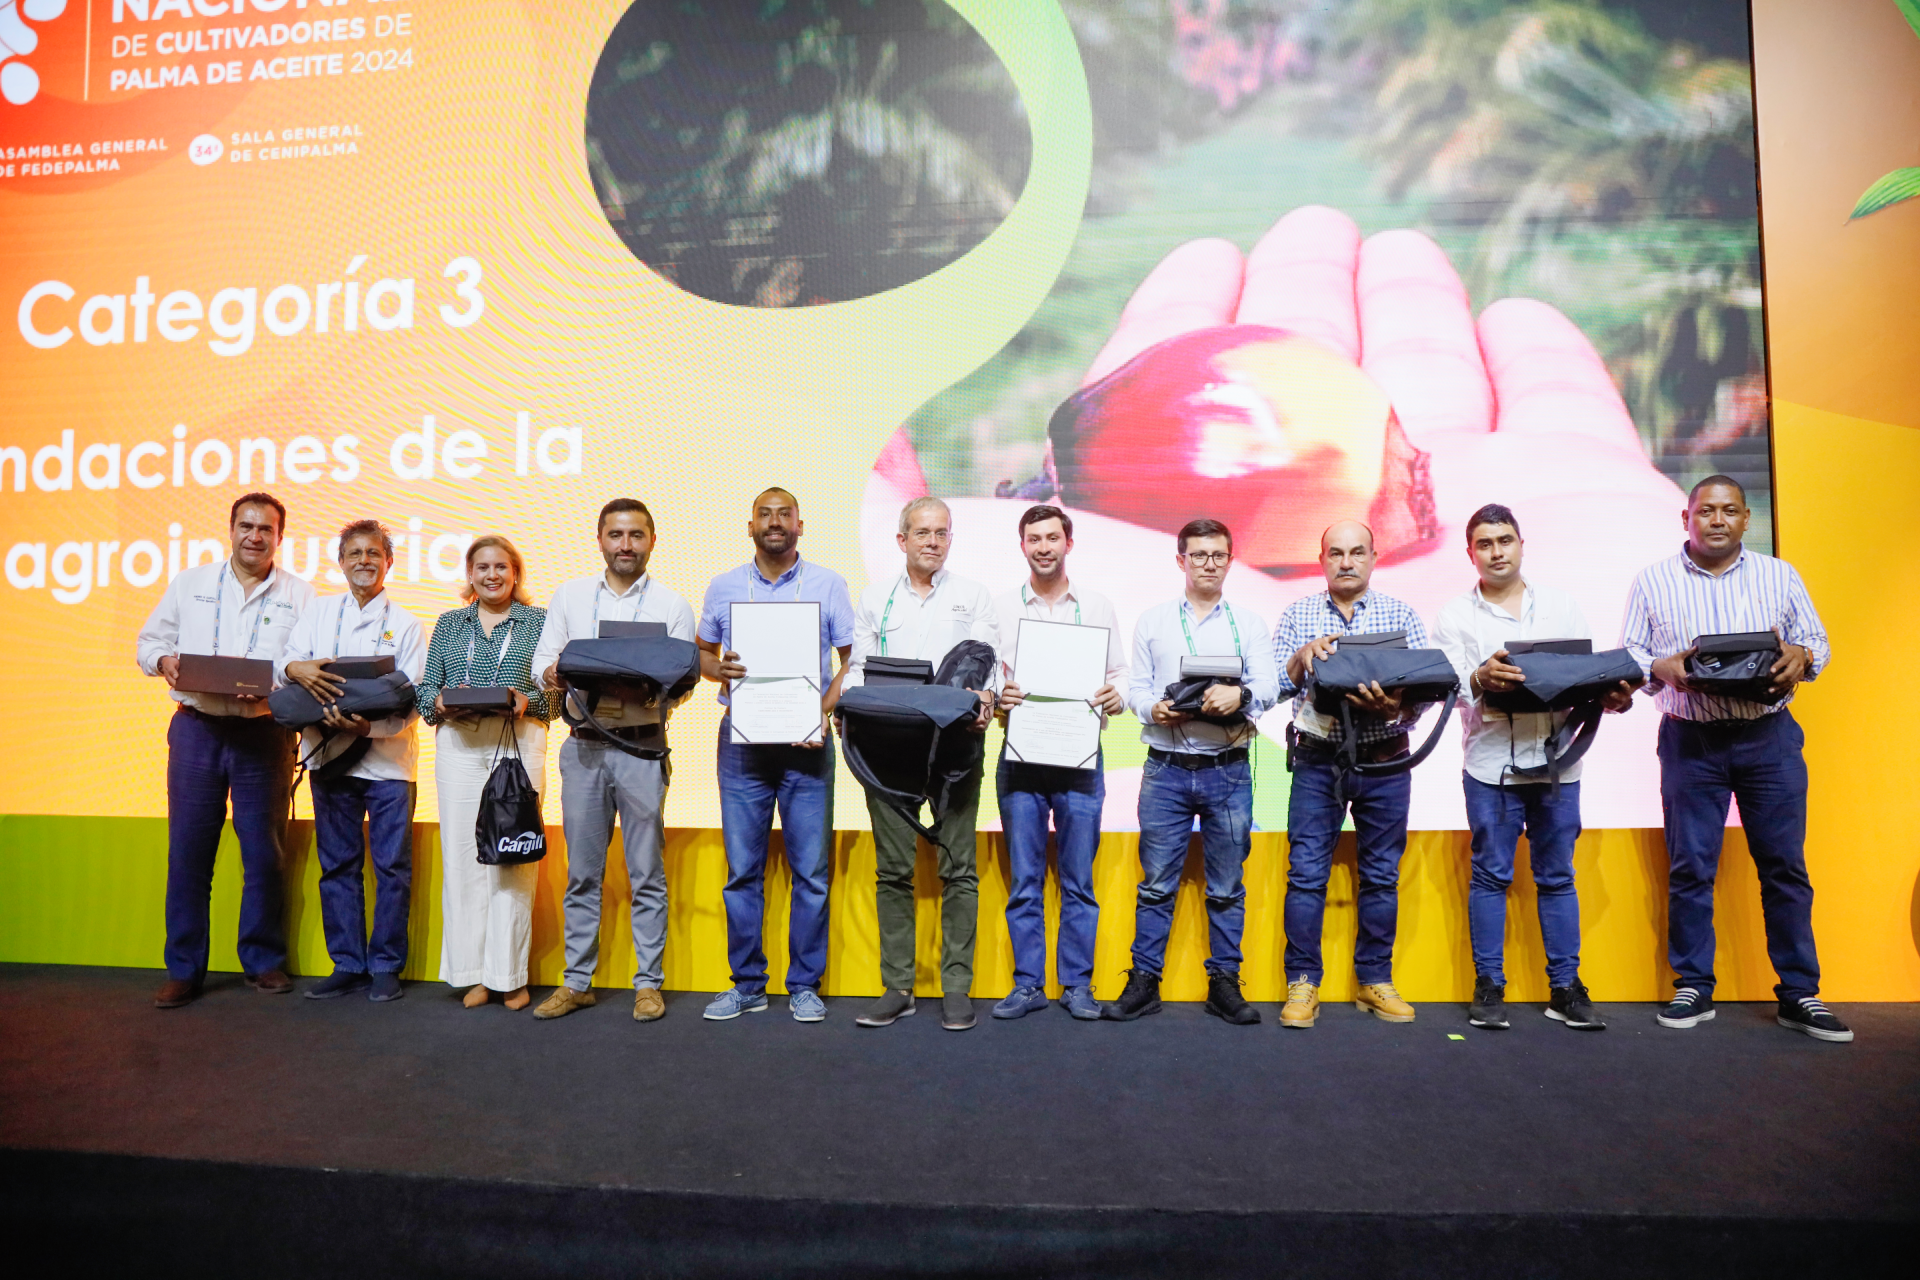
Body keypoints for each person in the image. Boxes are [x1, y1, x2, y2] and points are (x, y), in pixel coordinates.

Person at [1621, 475, 1849, 1042]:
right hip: (1690, 740)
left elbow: (1816, 642)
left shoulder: (1780, 575)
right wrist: (1659, 667)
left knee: (1785, 868)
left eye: (1729, 511)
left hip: (1767, 739)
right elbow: (1630, 650)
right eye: (1705, 511)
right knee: (1690, 867)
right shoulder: (1653, 581)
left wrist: (1800, 654)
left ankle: (1801, 994)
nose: (1717, 520)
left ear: (1748, 519)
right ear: (1686, 519)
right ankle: (1693, 985)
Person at [1433, 504, 1633, 1032]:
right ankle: (1489, 985)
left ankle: (1565, 987)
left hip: (1558, 766)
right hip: (1490, 765)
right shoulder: (1455, 615)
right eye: (1484, 544)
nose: (1496, 552)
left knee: (1558, 876)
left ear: (1521, 544)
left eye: (1505, 540)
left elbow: (1588, 674)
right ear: (1470, 553)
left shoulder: (1563, 606)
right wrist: (1478, 677)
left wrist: (1611, 693)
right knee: (1490, 876)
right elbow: (1447, 689)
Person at [137, 493, 314, 1009]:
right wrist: (164, 661)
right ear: (231, 529)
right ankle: (184, 969)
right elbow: (148, 643)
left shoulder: (301, 595)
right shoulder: (189, 584)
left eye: (266, 529)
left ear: (280, 537)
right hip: (197, 730)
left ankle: (261, 962)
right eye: (246, 526)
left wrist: (274, 685)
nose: (255, 536)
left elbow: (303, 662)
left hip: (264, 734)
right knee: (189, 854)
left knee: (264, 855)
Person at [530, 500, 697, 1024]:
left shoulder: (672, 605)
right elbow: (541, 666)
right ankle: (577, 982)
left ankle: (648, 984)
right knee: (582, 873)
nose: (626, 544)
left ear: (652, 540)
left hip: (643, 749)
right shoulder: (570, 596)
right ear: (600, 539)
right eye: (616, 534)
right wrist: (556, 672)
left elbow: (684, 679)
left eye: (636, 535)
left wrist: (654, 690)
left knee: (646, 872)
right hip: (582, 748)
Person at [1107, 518, 1277, 1025]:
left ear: (1230, 560)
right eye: (1198, 555)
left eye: (1218, 555)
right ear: (1180, 560)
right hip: (1166, 770)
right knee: (1155, 884)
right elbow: (1136, 687)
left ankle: (1223, 982)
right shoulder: (1154, 621)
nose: (1208, 564)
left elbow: (1268, 686)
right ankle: (1144, 981)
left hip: (1228, 772)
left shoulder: (1248, 623)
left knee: (1227, 885)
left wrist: (1241, 695)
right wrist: (1151, 709)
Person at [696, 488, 855, 1024]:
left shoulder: (828, 584)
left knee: (811, 871)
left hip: (807, 749)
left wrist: (821, 712)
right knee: (742, 871)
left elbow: (851, 660)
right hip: (742, 747)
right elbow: (702, 654)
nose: (774, 523)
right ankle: (746, 984)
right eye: (764, 515)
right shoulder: (723, 587)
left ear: (800, 526)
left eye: (784, 514)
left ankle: (804, 985)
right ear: (750, 526)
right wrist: (721, 671)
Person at [844, 496, 999, 1032]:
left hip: (956, 749)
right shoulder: (874, 600)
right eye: (923, 532)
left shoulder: (974, 597)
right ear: (902, 540)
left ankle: (957, 987)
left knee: (959, 870)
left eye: (942, 532)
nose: (933, 541)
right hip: (887, 752)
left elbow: (987, 666)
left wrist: (987, 702)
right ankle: (899, 987)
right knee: (893, 872)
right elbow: (861, 669)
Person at [1272, 521, 1428, 1029]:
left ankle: (1374, 981)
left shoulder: (1402, 614)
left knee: (1381, 875)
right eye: (1335, 553)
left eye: (1356, 552)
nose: (1346, 561)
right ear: (1321, 560)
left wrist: (1393, 707)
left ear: (1374, 558)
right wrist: (1302, 657)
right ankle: (1302, 984)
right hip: (1317, 758)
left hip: (1386, 759)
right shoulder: (1298, 614)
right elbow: (1274, 686)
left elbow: (1425, 691)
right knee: (1306, 875)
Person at [279, 520, 427, 1003]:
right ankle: (347, 963)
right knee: (337, 865)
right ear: (340, 562)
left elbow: (411, 702)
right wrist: (296, 670)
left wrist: (369, 726)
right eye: (354, 553)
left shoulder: (406, 625)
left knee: (391, 868)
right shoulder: (317, 615)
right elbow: (290, 672)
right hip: (328, 762)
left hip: (388, 765)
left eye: (373, 553)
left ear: (389, 562)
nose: (364, 560)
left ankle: (385, 965)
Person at [990, 504, 1127, 1022]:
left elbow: (1119, 672)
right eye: (1034, 539)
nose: (1043, 547)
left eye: (1052, 537)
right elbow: (987, 678)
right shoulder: (1001, 609)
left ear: (1069, 543)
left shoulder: (1095, 606)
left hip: (1080, 761)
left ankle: (1077, 985)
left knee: (1078, 882)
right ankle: (1028, 985)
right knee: (1024, 882)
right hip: (1020, 760)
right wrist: (998, 695)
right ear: (1022, 546)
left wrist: (1116, 695)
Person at [417, 535, 551, 1011]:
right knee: (462, 859)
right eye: (482, 567)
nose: (492, 575)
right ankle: (473, 973)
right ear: (469, 575)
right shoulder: (450, 623)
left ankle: (509, 975)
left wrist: (525, 700)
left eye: (502, 566)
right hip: (458, 748)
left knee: (512, 860)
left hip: (517, 746)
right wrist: (435, 702)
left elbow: (554, 697)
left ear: (516, 574)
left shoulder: (539, 622)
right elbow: (426, 686)